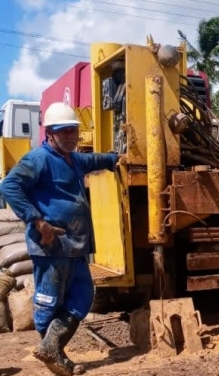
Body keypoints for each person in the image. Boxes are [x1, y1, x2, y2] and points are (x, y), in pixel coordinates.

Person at [0, 102, 120, 376]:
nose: (70, 136)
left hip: (74, 246)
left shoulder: (74, 158)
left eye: (73, 131)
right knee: (49, 300)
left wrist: (115, 159)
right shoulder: (38, 159)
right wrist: (37, 220)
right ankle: (54, 352)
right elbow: (8, 186)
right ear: (49, 133)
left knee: (83, 296)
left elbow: (95, 160)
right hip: (51, 246)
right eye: (63, 131)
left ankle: (51, 347)